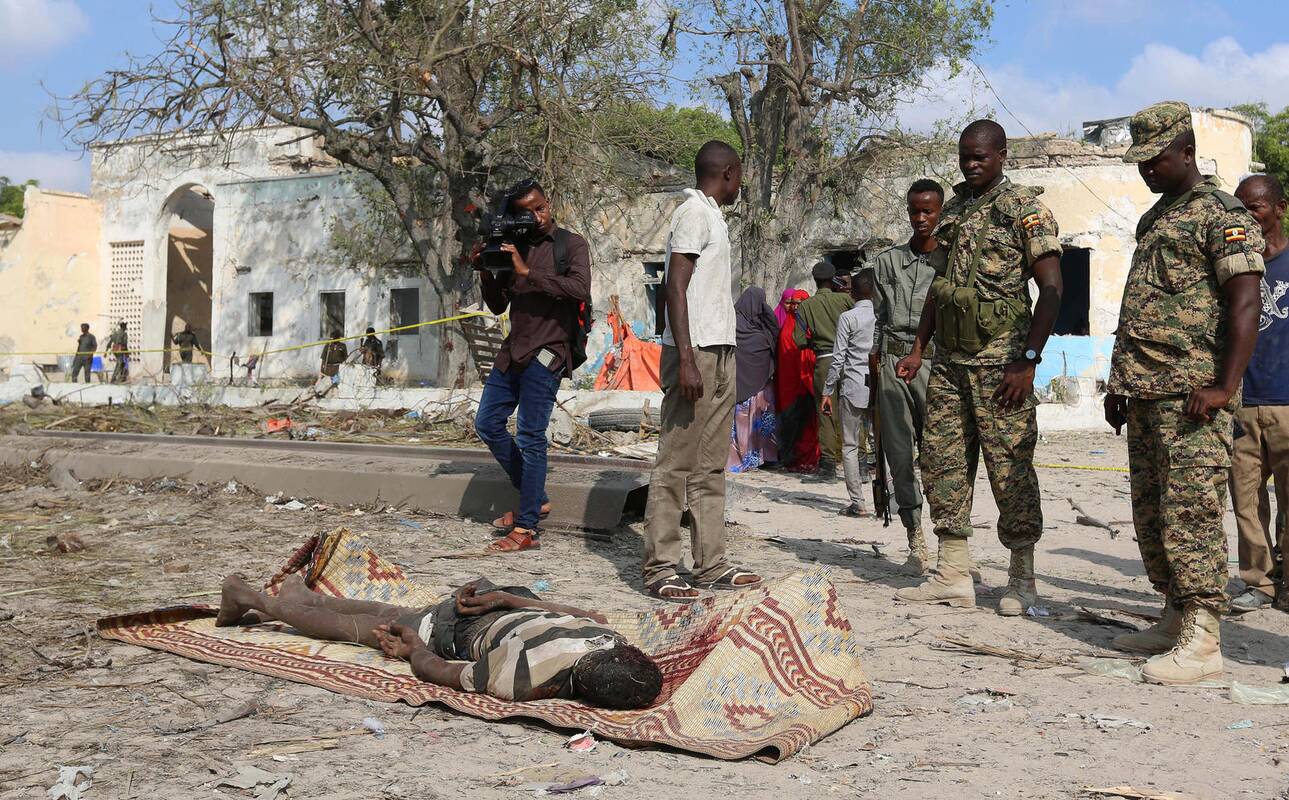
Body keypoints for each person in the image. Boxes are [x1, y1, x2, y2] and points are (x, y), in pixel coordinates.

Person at [1103, 101, 1265, 684]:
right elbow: (1141, 307)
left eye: (1157, 159)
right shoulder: (1155, 218)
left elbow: (1245, 300)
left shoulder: (1222, 214)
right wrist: (1120, 383)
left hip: (1193, 396)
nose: (1147, 170)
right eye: (1141, 161)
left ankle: (1204, 637)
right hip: (1146, 391)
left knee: (1191, 511)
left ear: (1188, 152)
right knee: (1151, 512)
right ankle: (1174, 615)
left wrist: (1225, 385)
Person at [894, 119, 1063, 616]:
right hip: (950, 362)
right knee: (942, 462)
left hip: (1002, 365)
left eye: (979, 157)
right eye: (964, 156)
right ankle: (952, 574)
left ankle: (1022, 580)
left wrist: (1028, 359)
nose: (970, 164)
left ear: (1002, 155)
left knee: (1010, 468)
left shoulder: (1025, 210)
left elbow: (1052, 289)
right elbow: (939, 288)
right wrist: (919, 348)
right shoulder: (954, 210)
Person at [215, 573, 662, 708]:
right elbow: (441, 671)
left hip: (499, 603)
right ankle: (253, 599)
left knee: (387, 614)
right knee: (359, 629)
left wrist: (504, 598)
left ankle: (298, 598)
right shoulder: (525, 676)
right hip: (467, 624)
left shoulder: (607, 638)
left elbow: (581, 614)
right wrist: (414, 648)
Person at [643, 140, 762, 601]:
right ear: (729, 171)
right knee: (676, 462)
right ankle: (660, 568)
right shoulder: (692, 213)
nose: (741, 183)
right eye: (740, 174)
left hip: (719, 350)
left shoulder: (713, 217)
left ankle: (711, 563)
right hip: (694, 354)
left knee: (711, 465)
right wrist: (687, 359)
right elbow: (674, 287)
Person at [475, 178, 591, 553]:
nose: (537, 217)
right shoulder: (515, 245)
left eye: (540, 208)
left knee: (529, 435)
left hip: (549, 351)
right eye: (527, 213)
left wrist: (528, 272)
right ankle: (535, 498)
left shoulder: (570, 245)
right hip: (515, 350)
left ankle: (527, 529)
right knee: (487, 423)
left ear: (549, 202)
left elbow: (579, 289)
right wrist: (487, 270)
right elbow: (498, 305)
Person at [870, 179, 943, 573]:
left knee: (942, 456)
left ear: (940, 211)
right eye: (915, 210)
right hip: (893, 364)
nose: (921, 218)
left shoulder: (950, 260)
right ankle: (915, 540)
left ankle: (951, 546)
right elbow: (879, 318)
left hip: (936, 365)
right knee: (899, 454)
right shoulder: (887, 262)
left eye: (928, 210)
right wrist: (875, 363)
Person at [1228, 174, 1289, 614]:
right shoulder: (1232, 267)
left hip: (1288, 404)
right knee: (1246, 503)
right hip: (1242, 404)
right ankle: (1260, 582)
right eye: (1241, 208)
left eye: (1256, 207)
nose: (1247, 216)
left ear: (1280, 209)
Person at [793, 261, 858, 478]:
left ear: (815, 280)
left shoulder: (806, 306)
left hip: (824, 361)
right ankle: (861, 465)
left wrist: (816, 343)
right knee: (854, 410)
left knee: (826, 413)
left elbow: (799, 340)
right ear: (833, 280)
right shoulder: (846, 300)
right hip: (849, 361)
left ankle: (828, 466)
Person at [822, 270, 877, 517]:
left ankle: (858, 502)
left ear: (852, 292)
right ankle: (890, 497)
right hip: (878, 384)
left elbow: (838, 358)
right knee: (883, 444)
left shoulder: (848, 317)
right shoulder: (881, 316)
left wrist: (827, 390)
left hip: (853, 384)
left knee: (850, 445)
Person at [728, 287, 780, 473]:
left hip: (738, 387)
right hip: (758, 390)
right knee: (755, 423)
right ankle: (759, 458)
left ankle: (739, 460)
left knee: (741, 425)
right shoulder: (760, 331)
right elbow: (775, 334)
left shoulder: (731, 324)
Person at [775, 289, 819, 472]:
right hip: (789, 383)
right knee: (791, 421)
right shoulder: (788, 325)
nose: (794, 307)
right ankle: (791, 459)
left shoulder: (808, 325)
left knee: (809, 424)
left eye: (799, 303)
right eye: (792, 303)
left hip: (806, 381)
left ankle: (808, 459)